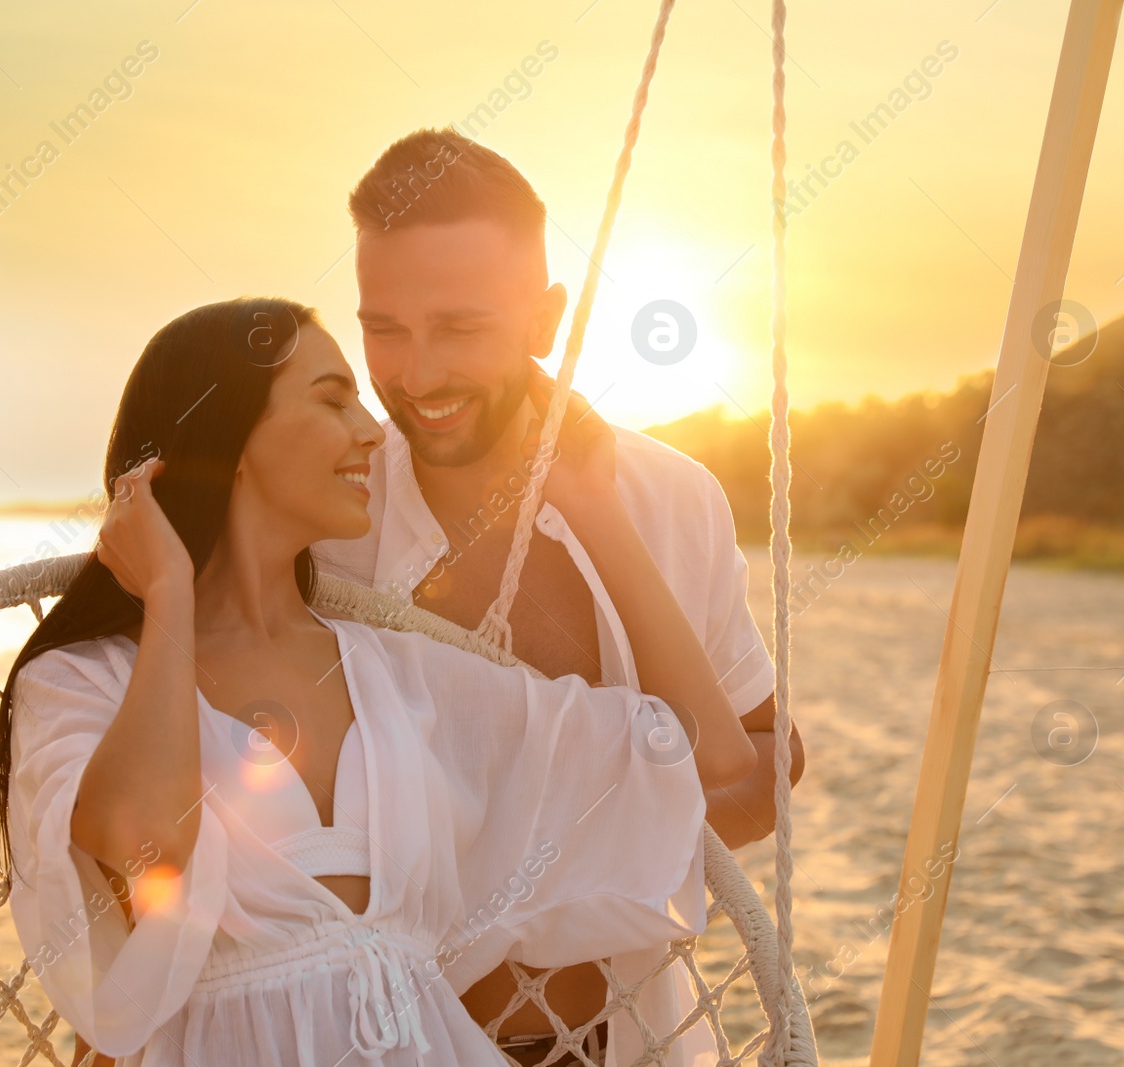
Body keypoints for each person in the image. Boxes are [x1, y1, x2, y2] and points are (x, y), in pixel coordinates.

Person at [0, 297, 758, 1066]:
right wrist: (168, 597)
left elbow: (710, 752)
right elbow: (146, 845)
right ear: (225, 434)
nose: (370, 428)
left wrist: (596, 504)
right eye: (333, 399)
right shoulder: (80, 681)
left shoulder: (401, 676)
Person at [313, 127, 808, 1064]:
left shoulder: (670, 497)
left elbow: (763, 770)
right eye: (384, 329)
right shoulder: (324, 520)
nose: (415, 375)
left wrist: (586, 823)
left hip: (623, 1040)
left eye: (459, 327)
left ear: (546, 319)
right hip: (380, 1040)